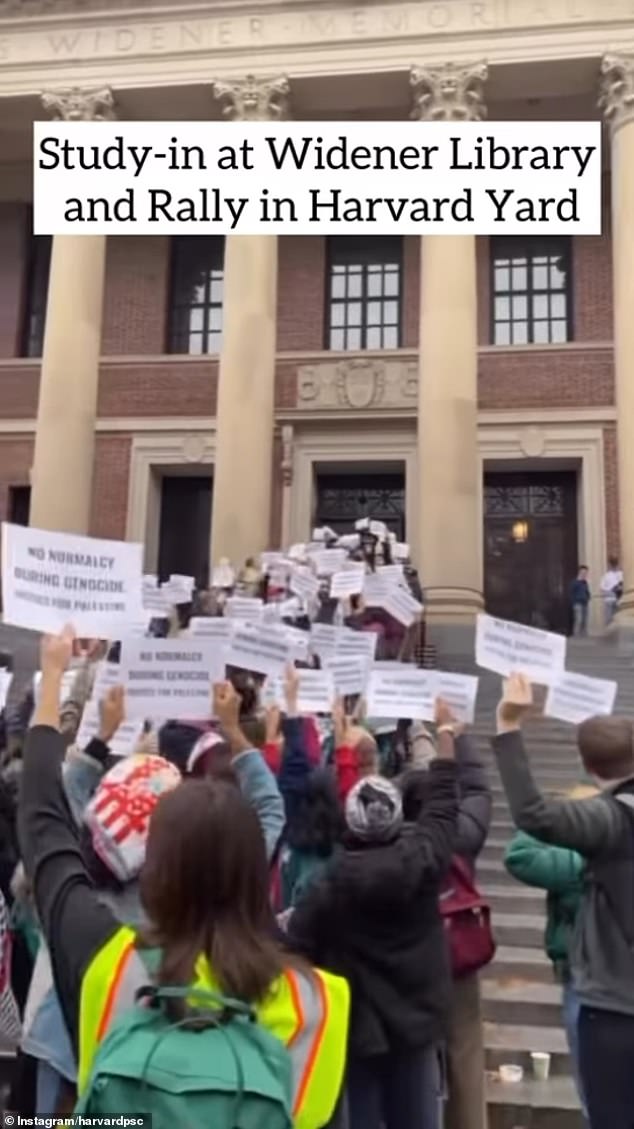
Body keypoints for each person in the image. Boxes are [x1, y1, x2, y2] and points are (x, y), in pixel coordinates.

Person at [17, 626, 349, 1128]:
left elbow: (44, 822)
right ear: (253, 871)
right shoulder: (318, 1004)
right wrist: (235, 731)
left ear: (159, 873)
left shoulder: (107, 964)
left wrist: (53, 686)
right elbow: (270, 809)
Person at [287, 701, 459, 1129]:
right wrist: (448, 737)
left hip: (357, 1029)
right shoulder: (424, 862)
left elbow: (295, 946)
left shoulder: (327, 886)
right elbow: (441, 811)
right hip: (418, 1023)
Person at [493, 673, 634, 1129]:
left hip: (614, 1006)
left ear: (590, 769)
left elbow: (534, 814)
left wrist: (508, 723)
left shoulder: (606, 820)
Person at [400, 723, 492, 1129]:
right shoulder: (462, 835)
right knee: (466, 1050)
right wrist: (459, 736)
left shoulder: (389, 844)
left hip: (403, 963)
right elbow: (478, 792)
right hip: (456, 957)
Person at [504, 786, 597, 1125]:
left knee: (595, 1085)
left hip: (588, 978)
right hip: (590, 972)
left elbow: (520, 855)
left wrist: (548, 819)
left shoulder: (576, 865)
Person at [599, 557, 623, 628]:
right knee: (609, 619)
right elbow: (602, 588)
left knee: (616, 619)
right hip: (609, 599)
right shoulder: (607, 575)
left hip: (618, 600)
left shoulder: (621, 574)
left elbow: (602, 588)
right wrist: (611, 591)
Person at [570, 566, 591, 637]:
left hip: (585, 603)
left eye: (586, 573)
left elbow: (587, 592)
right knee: (579, 619)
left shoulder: (585, 583)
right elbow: (571, 593)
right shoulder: (574, 582)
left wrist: (588, 596)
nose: (585, 574)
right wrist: (573, 602)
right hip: (577, 603)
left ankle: (584, 636)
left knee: (585, 620)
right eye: (583, 572)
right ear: (580, 572)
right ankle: (576, 635)